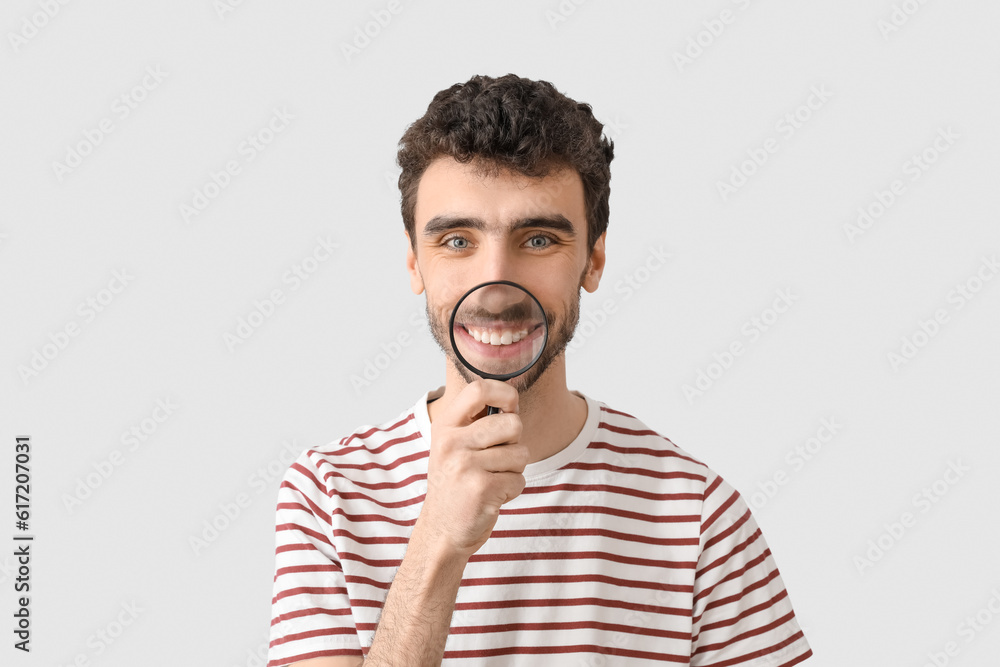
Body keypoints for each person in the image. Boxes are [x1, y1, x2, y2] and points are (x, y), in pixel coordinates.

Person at [266, 73, 813, 667]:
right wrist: (439, 542)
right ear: (414, 261)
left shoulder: (698, 516)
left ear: (593, 259)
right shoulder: (328, 496)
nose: (494, 289)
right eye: (456, 241)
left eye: (537, 240)